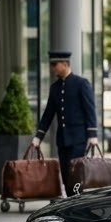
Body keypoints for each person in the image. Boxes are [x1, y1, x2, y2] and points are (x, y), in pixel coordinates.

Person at [31, 50, 98, 196]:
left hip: (78, 139)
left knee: (75, 174)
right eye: (51, 64)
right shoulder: (55, 88)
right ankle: (71, 200)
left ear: (65, 64)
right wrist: (38, 137)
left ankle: (77, 200)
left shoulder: (81, 84)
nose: (52, 67)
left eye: (55, 64)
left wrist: (92, 134)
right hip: (62, 140)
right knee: (67, 175)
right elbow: (48, 114)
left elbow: (90, 110)